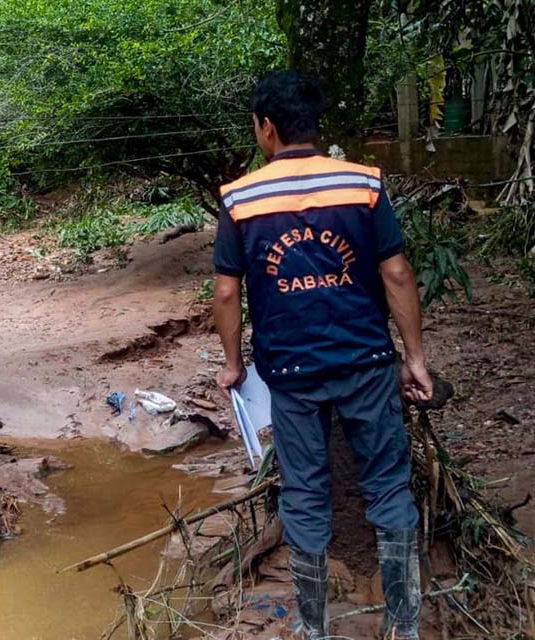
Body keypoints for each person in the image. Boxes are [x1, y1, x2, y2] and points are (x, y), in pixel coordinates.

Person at [211, 70, 432, 640]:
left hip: (289, 373)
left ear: (266, 127)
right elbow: (397, 273)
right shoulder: (363, 184)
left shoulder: (240, 199)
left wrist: (235, 365)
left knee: (306, 497)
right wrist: (415, 358)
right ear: (314, 123)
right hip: (366, 365)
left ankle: (314, 629)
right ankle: (404, 627)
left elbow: (227, 291)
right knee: (387, 486)